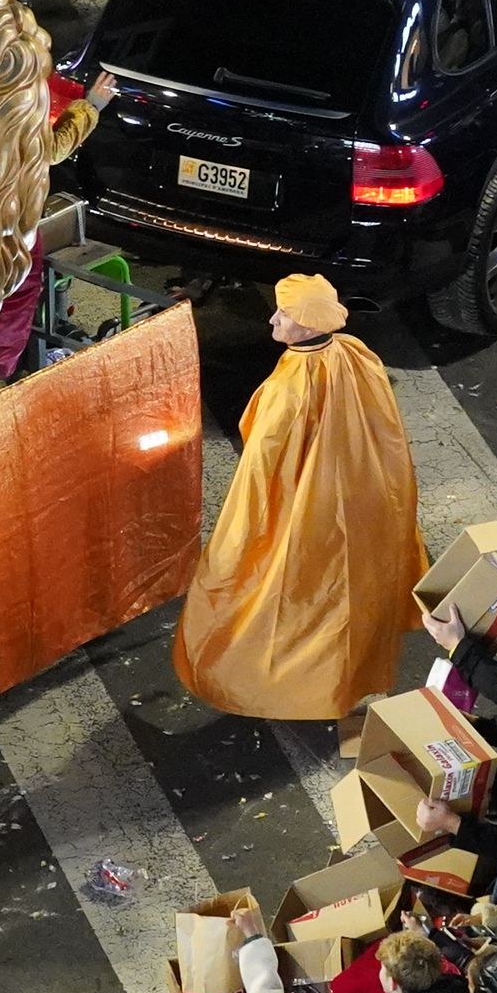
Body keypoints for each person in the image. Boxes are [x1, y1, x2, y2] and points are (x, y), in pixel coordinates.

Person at [175, 273, 427, 718]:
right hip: (359, 498)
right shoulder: (355, 355)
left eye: (285, 314)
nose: (273, 319)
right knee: (348, 603)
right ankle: (345, 682)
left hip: (310, 513)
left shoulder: (288, 390)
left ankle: (294, 688)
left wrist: (239, 536)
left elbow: (262, 465)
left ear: (309, 325)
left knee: (293, 603)